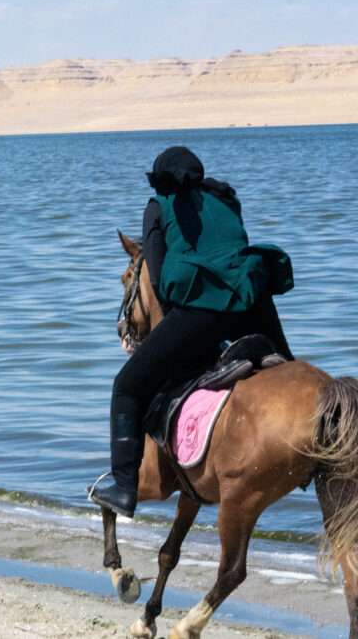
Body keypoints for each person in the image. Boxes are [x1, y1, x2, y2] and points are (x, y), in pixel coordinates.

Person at [90, 146, 294, 518]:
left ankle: (123, 487)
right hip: (255, 299)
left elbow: (156, 267)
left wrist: (174, 316)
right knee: (290, 372)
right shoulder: (226, 198)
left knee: (127, 386)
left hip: (204, 308)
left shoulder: (157, 206)